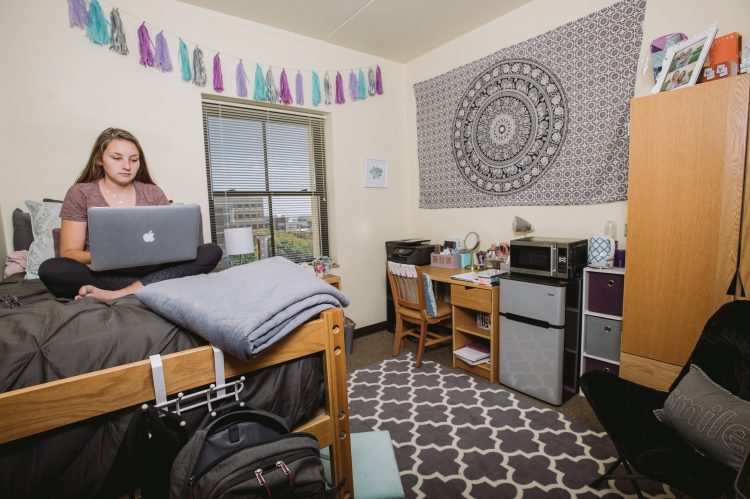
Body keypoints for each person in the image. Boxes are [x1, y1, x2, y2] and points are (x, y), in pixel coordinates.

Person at [39, 127, 222, 300]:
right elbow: (69, 253)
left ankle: (118, 293)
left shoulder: (152, 192)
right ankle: (151, 285)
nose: (127, 166)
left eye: (134, 160)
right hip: (105, 272)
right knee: (52, 269)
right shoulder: (80, 193)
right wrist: (110, 256)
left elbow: (171, 244)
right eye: (117, 158)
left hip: (151, 268)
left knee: (212, 251)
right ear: (99, 159)